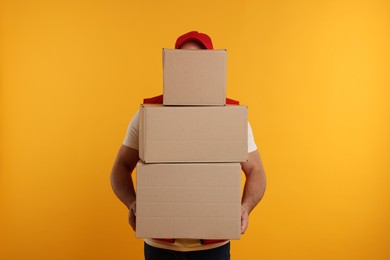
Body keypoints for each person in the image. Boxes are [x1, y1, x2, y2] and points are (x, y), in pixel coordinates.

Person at [110, 31, 267, 260]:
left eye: (199, 63)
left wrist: (246, 207)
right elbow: (120, 167)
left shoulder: (231, 117)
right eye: (184, 62)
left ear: (212, 68)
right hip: (160, 245)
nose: (192, 70)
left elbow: (257, 170)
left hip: (213, 246)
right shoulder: (148, 115)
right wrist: (132, 203)